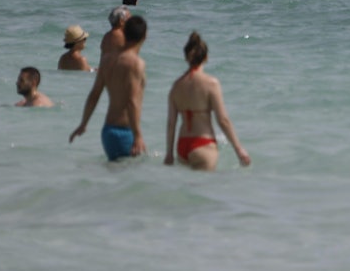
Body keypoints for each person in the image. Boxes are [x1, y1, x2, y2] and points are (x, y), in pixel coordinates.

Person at [164, 32, 250, 171]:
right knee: (203, 190)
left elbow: (171, 123)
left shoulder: (176, 86)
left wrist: (169, 154)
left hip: (182, 146)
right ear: (206, 57)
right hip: (203, 144)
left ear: (186, 57)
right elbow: (223, 120)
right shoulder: (211, 84)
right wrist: (239, 149)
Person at [70, 15, 149, 161]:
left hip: (108, 131)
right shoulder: (136, 64)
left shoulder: (107, 61)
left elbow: (94, 95)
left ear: (124, 33)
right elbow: (132, 101)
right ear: (145, 36)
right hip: (126, 131)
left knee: (116, 177)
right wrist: (138, 135)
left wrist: (83, 124)